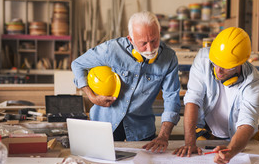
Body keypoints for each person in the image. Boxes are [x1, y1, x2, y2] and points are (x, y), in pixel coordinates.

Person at [71, 11, 181, 152]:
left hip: (141, 129)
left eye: (154, 40)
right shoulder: (112, 50)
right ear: (130, 40)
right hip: (104, 124)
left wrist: (164, 136)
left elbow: (172, 98)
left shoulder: (169, 58)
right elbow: (78, 64)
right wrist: (92, 97)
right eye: (143, 44)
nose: (150, 48)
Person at [173, 27, 259, 164]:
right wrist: (190, 143)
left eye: (226, 66)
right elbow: (193, 100)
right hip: (208, 131)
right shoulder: (204, 58)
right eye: (216, 64)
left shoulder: (254, 83)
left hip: (239, 139)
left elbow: (247, 123)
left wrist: (231, 150)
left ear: (240, 63)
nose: (218, 70)